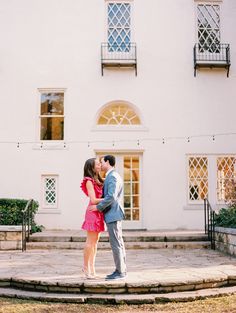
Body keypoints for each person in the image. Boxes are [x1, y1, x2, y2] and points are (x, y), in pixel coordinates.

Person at [90, 155, 127, 280]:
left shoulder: (112, 177)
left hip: (113, 214)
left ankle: (120, 271)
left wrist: (98, 207)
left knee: (116, 243)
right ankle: (122, 270)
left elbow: (111, 197)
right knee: (119, 243)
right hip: (113, 214)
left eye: (102, 162)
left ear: (107, 162)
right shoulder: (112, 176)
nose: (101, 164)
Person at [80, 158, 105, 279]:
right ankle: (85, 268)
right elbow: (94, 200)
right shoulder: (89, 181)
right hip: (92, 212)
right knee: (90, 242)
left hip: (98, 212)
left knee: (95, 243)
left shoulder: (99, 179)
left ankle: (92, 268)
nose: (100, 165)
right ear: (92, 167)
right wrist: (109, 198)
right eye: (98, 164)